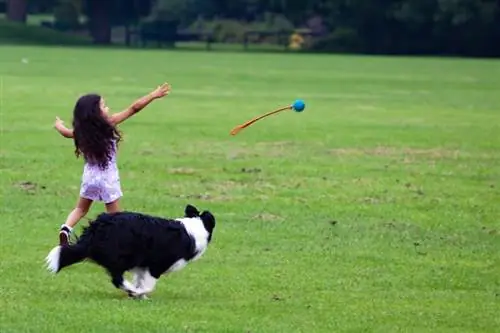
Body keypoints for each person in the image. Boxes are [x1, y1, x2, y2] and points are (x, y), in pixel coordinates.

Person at [53, 83, 171, 245]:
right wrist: (153, 95)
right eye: (104, 106)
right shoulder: (109, 124)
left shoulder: (81, 132)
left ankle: (66, 228)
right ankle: (120, 244)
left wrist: (59, 125)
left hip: (89, 177)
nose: (107, 108)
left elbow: (66, 133)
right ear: (96, 112)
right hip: (107, 178)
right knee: (116, 218)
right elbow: (134, 108)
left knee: (80, 209)